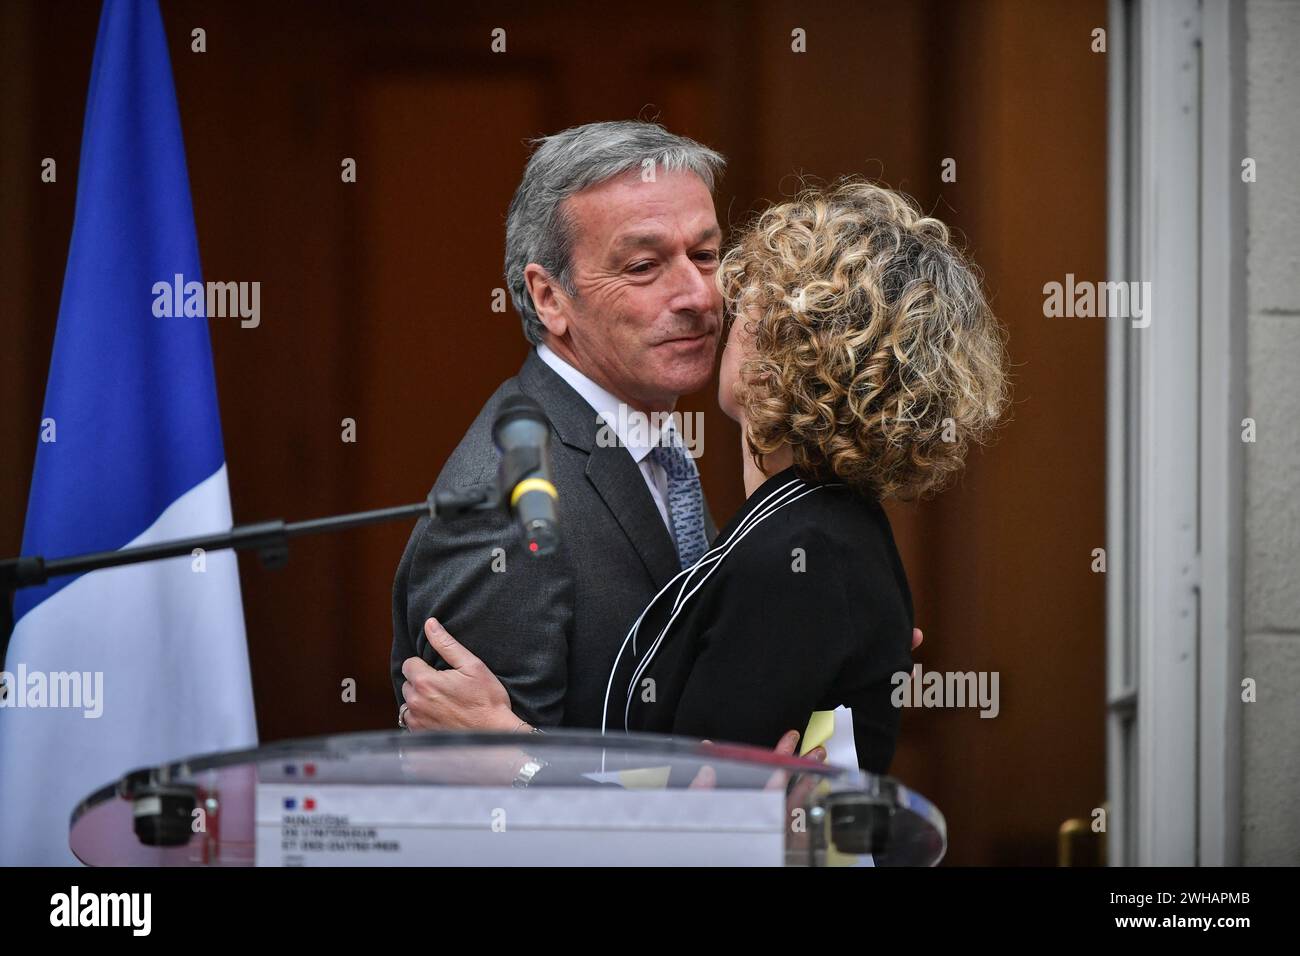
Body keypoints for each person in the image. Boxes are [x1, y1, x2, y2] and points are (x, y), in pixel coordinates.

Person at [406, 179, 1005, 773]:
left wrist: (512, 754)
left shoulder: (799, 549)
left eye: (749, 301)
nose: (711, 304)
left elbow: (695, 826)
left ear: (788, 357)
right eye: (644, 265)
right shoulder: (816, 526)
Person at [393, 119, 834, 758]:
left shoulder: (653, 439)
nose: (697, 295)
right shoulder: (507, 507)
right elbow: (482, 815)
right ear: (550, 297)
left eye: (706, 255)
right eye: (644, 265)